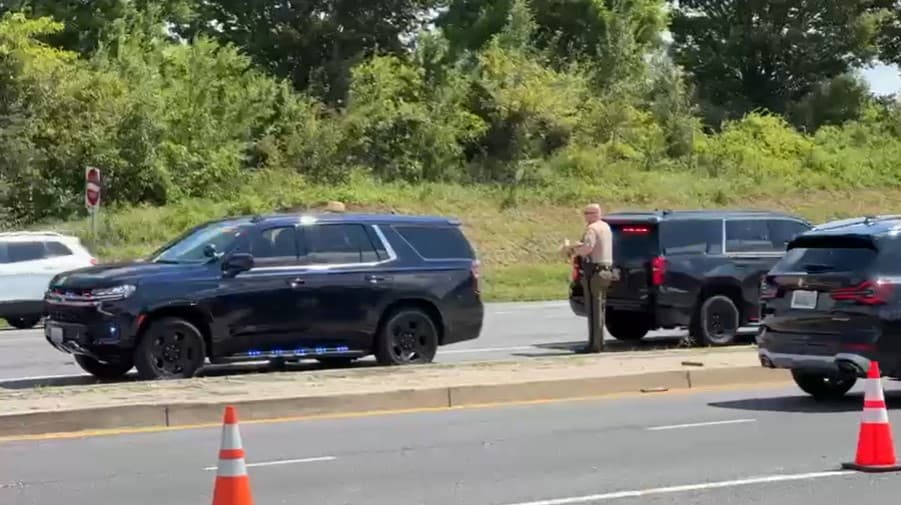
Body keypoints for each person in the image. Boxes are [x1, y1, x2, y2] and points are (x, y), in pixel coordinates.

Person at [561, 203, 616, 353]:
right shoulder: (606, 227)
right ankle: (598, 343)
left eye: (587, 213)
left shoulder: (592, 229)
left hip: (595, 271)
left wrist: (572, 249)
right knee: (599, 308)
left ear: (593, 214)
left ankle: (595, 345)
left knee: (593, 310)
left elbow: (588, 249)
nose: (585, 216)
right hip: (605, 270)